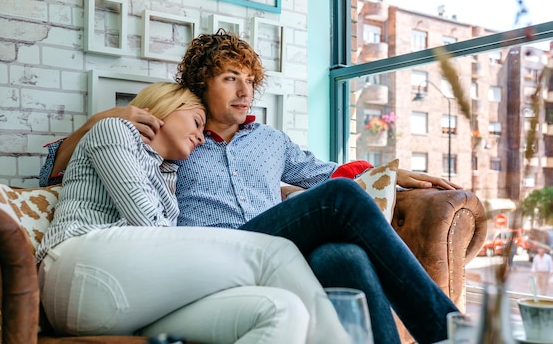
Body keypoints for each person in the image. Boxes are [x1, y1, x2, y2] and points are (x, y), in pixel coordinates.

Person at [40, 31, 461, 343]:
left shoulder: (270, 141)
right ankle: (448, 331)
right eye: (230, 78)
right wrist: (105, 119)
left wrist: (385, 174)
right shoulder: (173, 140)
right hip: (200, 260)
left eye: (250, 80)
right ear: (200, 86)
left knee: (343, 254)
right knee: (343, 199)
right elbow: (63, 171)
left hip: (268, 246)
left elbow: (324, 172)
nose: (245, 91)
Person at [36, 81, 350, 344]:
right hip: (77, 266)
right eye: (197, 123)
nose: (200, 137)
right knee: (275, 253)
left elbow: (159, 249)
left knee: (282, 309)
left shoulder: (167, 173)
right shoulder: (114, 130)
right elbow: (148, 226)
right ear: (165, 107)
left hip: (134, 301)